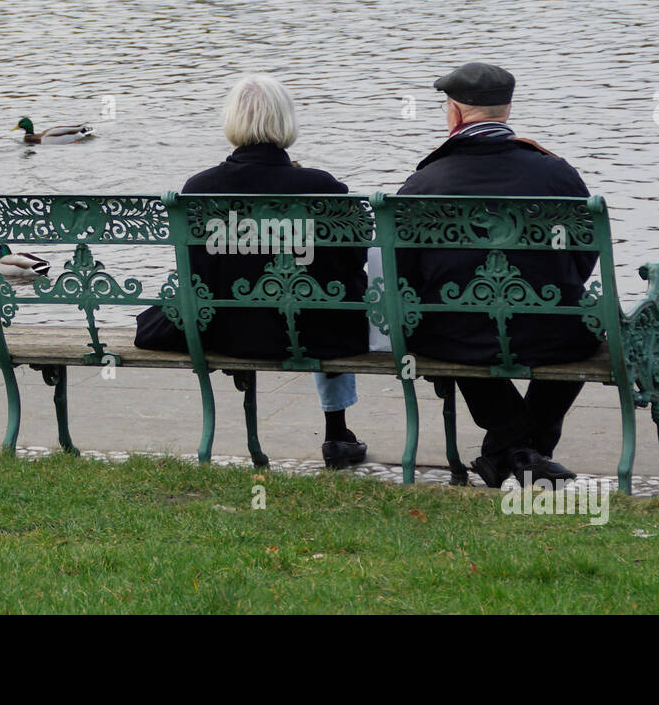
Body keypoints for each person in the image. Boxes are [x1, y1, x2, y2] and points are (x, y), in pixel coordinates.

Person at [135, 74, 370, 468]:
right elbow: (354, 259)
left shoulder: (199, 187)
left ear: (232, 122)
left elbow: (194, 270)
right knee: (339, 293)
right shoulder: (319, 186)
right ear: (286, 122)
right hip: (316, 332)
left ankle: (235, 441)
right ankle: (336, 434)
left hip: (225, 330)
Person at [396, 62, 601, 488]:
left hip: (456, 335)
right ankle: (531, 450)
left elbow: (404, 270)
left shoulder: (424, 183)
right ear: (506, 110)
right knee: (584, 329)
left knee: (449, 330)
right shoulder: (557, 173)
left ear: (453, 113)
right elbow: (584, 257)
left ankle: (511, 451)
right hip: (554, 333)